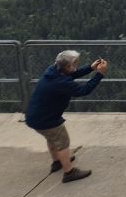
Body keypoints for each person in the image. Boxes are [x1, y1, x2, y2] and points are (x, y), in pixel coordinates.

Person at [23, 49, 106, 182]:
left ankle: (57, 162)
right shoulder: (60, 83)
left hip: (35, 117)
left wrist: (90, 68)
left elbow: (71, 75)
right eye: (74, 64)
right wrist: (99, 74)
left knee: (52, 139)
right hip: (46, 119)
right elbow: (84, 90)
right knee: (62, 143)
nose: (76, 67)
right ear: (67, 66)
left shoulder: (53, 70)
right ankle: (69, 172)